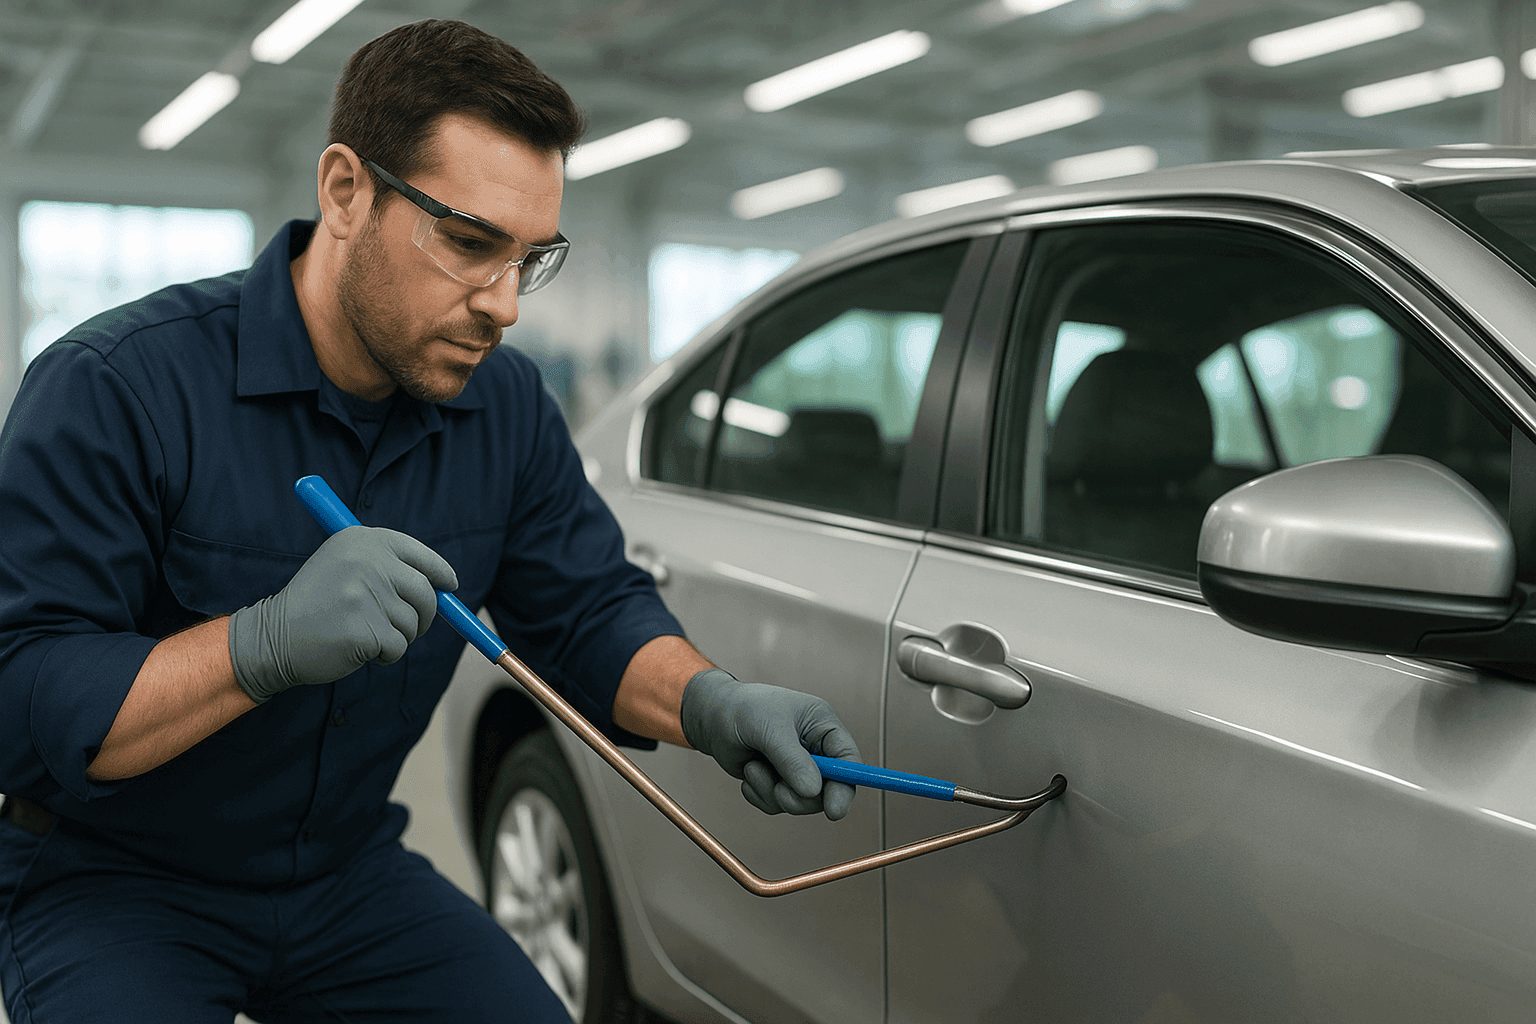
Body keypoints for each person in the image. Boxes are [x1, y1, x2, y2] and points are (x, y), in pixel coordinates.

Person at [0, 19, 860, 1023]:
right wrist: (257, 644)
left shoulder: (505, 411)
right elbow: (23, 699)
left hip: (343, 875)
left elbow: (586, 611)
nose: (505, 305)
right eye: (469, 242)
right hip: (116, 881)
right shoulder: (117, 388)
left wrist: (711, 702)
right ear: (344, 192)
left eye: (530, 258)